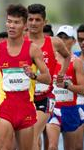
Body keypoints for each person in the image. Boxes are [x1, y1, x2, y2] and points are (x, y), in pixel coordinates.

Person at [0, 4, 51, 150]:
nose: (11, 26)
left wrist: (34, 76)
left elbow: (47, 78)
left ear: (25, 25)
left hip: (26, 109)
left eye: (16, 22)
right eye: (9, 21)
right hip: (4, 109)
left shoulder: (33, 50)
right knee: (3, 147)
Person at [26, 4, 71, 150]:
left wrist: (61, 74)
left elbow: (67, 56)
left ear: (44, 22)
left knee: (31, 135)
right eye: (30, 19)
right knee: (28, 141)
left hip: (45, 98)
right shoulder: (20, 42)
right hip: (24, 98)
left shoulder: (54, 42)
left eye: (37, 20)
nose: (33, 23)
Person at [46, 25, 84, 150]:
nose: (62, 40)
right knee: (52, 146)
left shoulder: (76, 62)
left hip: (70, 110)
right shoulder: (49, 59)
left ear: (73, 41)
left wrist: (67, 85)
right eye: (60, 37)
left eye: (66, 37)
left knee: (74, 147)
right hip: (53, 109)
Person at [74, 24, 84, 150]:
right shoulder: (72, 58)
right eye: (80, 39)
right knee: (77, 146)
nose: (83, 42)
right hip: (78, 105)